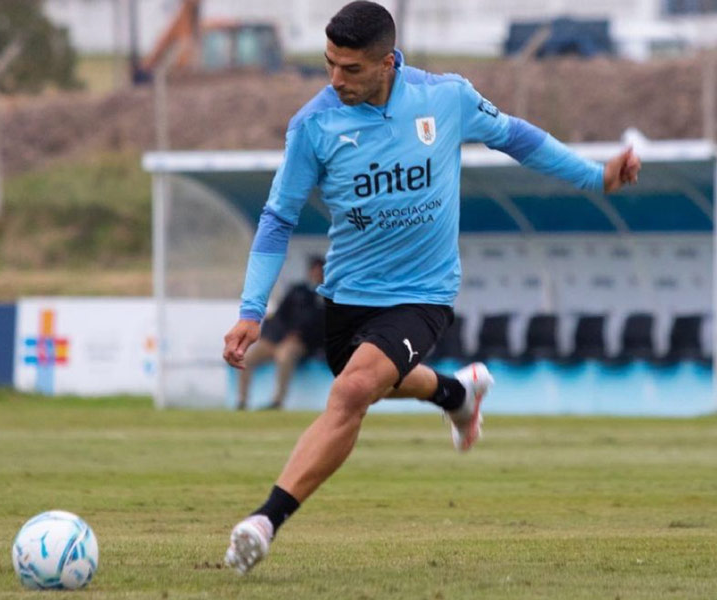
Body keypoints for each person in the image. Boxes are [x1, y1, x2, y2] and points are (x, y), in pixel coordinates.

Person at [221, 0, 641, 574]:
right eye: (329, 65)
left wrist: (595, 176)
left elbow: (517, 138)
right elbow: (277, 219)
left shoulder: (444, 98)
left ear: (388, 61)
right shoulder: (313, 126)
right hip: (347, 296)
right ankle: (455, 394)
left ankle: (264, 521)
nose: (335, 80)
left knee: (350, 392)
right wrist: (251, 309)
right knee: (368, 378)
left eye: (351, 69)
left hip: (423, 292)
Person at [236, 257, 326, 410]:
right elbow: (279, 314)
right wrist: (270, 335)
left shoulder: (326, 297)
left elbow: (319, 325)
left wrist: (299, 335)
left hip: (298, 342)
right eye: (314, 270)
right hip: (275, 339)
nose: (317, 274)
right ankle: (242, 401)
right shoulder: (297, 291)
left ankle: (277, 401)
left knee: (284, 357)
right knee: (247, 358)